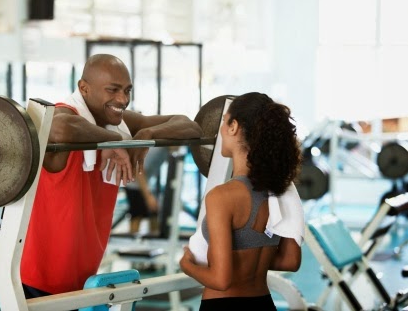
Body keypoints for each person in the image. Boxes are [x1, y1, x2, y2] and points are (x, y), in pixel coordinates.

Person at [20, 54, 203, 298]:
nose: (123, 99)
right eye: (113, 90)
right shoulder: (64, 116)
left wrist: (146, 134)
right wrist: (114, 141)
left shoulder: (120, 122)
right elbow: (58, 127)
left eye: (127, 90)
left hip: (85, 280)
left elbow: (190, 126)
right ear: (83, 88)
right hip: (39, 280)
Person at [179, 92, 303, 311]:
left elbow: (220, 280)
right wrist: (251, 260)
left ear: (234, 126)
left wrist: (186, 264)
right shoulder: (281, 189)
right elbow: (290, 261)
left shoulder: (222, 197)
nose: (220, 129)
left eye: (224, 121)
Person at [123, 146, 169, 234]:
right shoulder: (157, 150)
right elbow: (138, 171)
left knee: (154, 213)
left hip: (145, 183)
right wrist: (148, 196)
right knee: (137, 215)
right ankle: (133, 243)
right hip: (134, 184)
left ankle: (154, 240)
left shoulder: (166, 150)